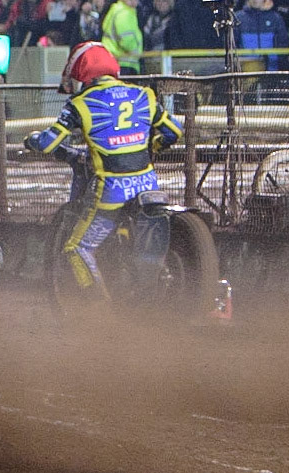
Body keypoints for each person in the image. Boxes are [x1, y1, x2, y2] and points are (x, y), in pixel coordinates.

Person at [24, 42, 181, 297]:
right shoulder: (144, 95)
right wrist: (153, 147)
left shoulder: (80, 103)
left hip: (112, 189)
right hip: (147, 185)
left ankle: (97, 309)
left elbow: (48, 143)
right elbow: (174, 132)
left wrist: (32, 140)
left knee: (77, 247)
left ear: (81, 73)